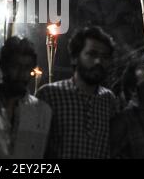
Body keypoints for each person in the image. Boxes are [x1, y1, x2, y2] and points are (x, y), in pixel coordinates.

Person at [36, 26, 118, 158]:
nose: (99, 62)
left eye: (105, 57)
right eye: (92, 54)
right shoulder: (50, 94)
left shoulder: (109, 100)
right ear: (75, 58)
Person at [0, 36, 52, 159]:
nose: (21, 73)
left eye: (27, 68)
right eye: (15, 66)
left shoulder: (42, 112)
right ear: (4, 67)